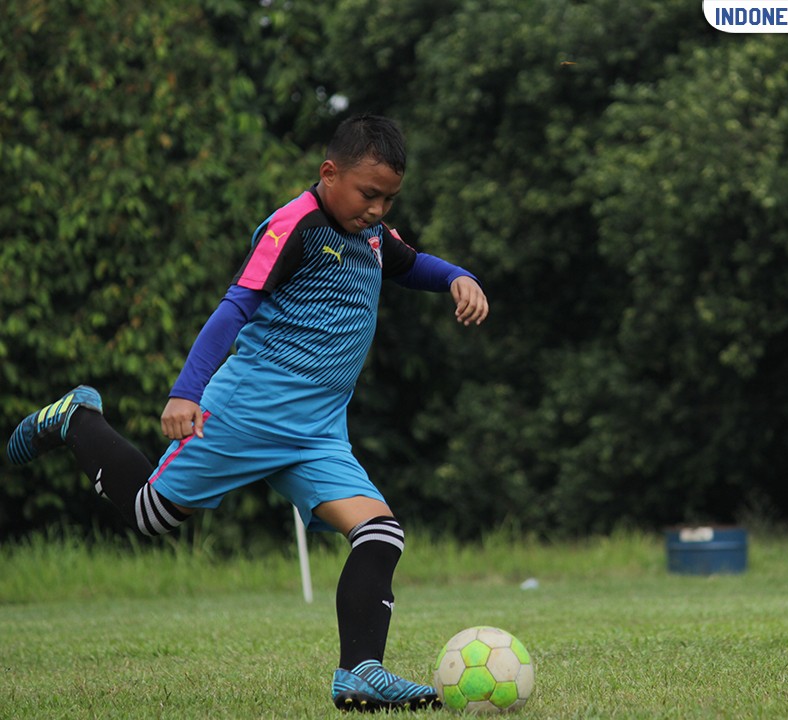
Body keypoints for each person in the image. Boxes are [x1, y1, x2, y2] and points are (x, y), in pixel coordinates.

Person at [5, 114, 489, 712]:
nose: (378, 210)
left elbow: (413, 265)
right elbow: (235, 307)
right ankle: (76, 418)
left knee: (380, 532)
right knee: (150, 516)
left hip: (317, 432)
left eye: (390, 199)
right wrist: (186, 392)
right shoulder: (296, 225)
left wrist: (459, 278)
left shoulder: (369, 235)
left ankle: (360, 673)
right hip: (246, 413)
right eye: (369, 194)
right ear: (329, 173)